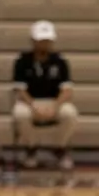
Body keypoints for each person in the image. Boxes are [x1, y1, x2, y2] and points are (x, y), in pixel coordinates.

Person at [12, 21, 78, 170]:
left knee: (70, 113)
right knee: (20, 114)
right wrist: (33, 106)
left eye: (47, 41)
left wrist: (55, 106)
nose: (44, 44)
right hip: (29, 101)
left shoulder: (60, 61)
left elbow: (66, 89)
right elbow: (20, 90)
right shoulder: (22, 61)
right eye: (41, 41)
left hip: (53, 101)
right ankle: (31, 149)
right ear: (33, 41)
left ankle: (59, 148)